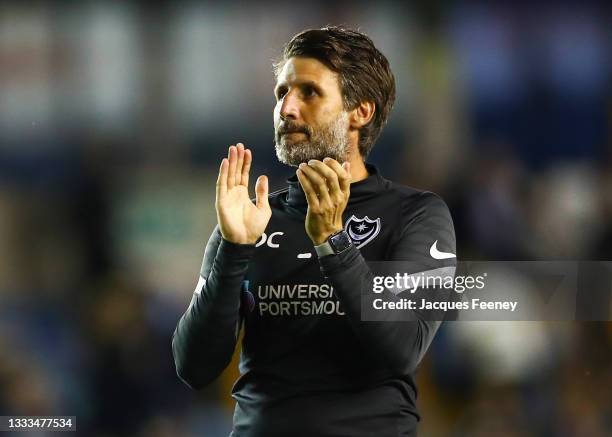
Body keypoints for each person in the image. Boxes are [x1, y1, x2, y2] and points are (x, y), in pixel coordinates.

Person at [172, 26, 456, 437]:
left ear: (361, 111)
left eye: (309, 92)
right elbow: (193, 367)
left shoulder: (416, 216)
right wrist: (234, 250)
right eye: (281, 93)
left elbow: (401, 347)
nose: (286, 108)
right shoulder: (251, 220)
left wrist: (334, 243)